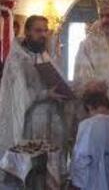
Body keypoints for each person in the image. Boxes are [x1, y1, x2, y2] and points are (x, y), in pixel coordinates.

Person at [0, 15, 66, 155]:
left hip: (50, 121)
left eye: (45, 31)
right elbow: (18, 97)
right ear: (27, 32)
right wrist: (45, 94)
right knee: (31, 170)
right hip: (28, 124)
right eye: (38, 30)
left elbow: (58, 79)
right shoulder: (17, 59)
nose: (43, 35)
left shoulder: (45, 55)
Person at [70, 91, 109, 190]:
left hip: (94, 183)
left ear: (89, 107)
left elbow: (81, 158)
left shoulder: (88, 125)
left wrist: (76, 183)